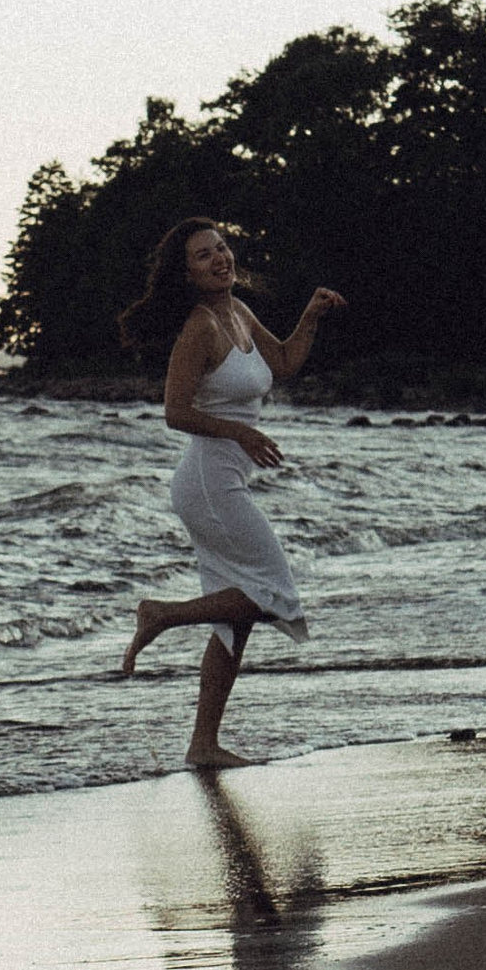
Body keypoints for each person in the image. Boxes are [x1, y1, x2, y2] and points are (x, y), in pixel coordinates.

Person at [115, 217, 345, 767]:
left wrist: (310, 316)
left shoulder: (238, 312)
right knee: (274, 594)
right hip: (207, 483)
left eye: (221, 248)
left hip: (225, 480)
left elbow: (284, 362)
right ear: (187, 274)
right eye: (203, 255)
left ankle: (202, 745)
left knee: (235, 620)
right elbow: (175, 412)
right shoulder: (200, 327)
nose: (219, 258)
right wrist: (240, 430)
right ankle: (161, 614)